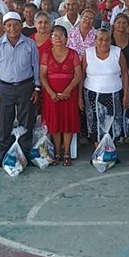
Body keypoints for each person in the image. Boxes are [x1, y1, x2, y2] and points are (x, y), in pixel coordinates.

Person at [0, 12, 41, 166]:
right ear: (4, 27)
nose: (13, 28)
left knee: (26, 122)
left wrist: (37, 88)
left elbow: (36, 67)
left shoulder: (30, 44)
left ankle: (24, 155)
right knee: (4, 122)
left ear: (21, 26)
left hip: (26, 86)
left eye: (16, 24)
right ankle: (3, 156)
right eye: (9, 25)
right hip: (4, 88)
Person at [39, 25, 82, 165]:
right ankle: (57, 152)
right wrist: (51, 92)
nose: (58, 38)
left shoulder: (73, 54)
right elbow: (42, 75)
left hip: (69, 94)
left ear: (66, 38)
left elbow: (78, 74)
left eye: (61, 35)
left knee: (68, 123)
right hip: (51, 96)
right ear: (51, 39)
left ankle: (67, 153)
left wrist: (67, 90)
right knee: (55, 123)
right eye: (55, 36)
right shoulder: (46, 54)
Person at [81, 28, 129, 144]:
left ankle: (110, 149)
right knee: (95, 123)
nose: (104, 42)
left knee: (113, 123)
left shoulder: (117, 52)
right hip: (92, 95)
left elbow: (125, 74)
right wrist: (79, 97)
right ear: (95, 41)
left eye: (107, 40)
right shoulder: (88, 53)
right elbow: (81, 76)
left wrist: (126, 94)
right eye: (100, 39)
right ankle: (99, 150)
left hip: (114, 94)